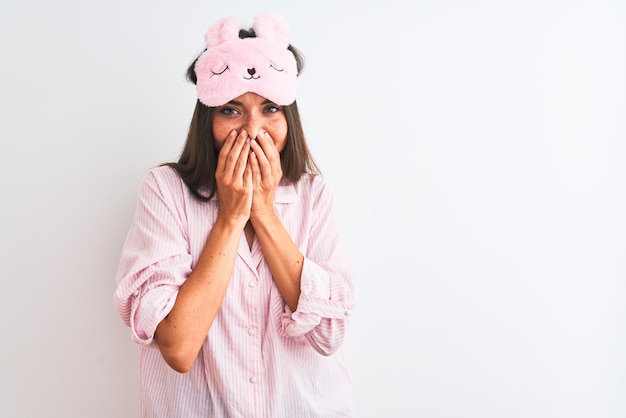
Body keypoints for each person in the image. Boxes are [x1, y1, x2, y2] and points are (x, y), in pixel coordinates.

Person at [113, 11, 356, 417]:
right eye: (230, 110)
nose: (252, 129)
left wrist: (263, 211)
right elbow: (178, 346)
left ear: (287, 117)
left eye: (270, 109)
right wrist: (230, 218)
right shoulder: (165, 191)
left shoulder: (314, 196)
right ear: (207, 119)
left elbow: (330, 335)